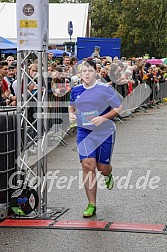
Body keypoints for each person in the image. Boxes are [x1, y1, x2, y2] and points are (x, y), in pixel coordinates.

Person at [68, 60, 122, 218]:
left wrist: (103, 118)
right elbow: (72, 105)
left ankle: (108, 173)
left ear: (96, 72)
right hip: (84, 132)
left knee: (102, 168)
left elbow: (118, 108)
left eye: (90, 71)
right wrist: (71, 114)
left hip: (104, 132)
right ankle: (92, 204)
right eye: (84, 71)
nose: (86, 74)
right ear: (80, 73)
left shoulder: (105, 89)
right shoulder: (76, 90)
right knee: (87, 165)